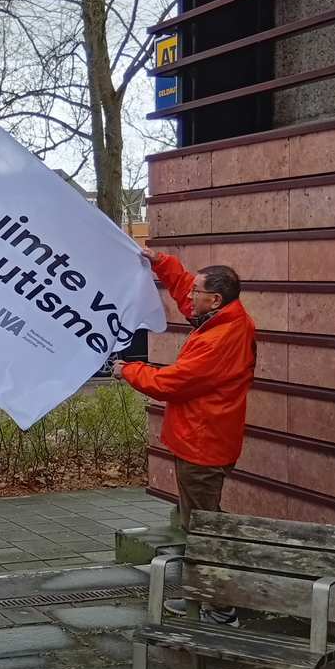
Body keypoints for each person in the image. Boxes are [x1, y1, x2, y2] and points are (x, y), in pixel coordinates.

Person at [113, 250, 255, 627]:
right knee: (199, 520)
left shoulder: (218, 339)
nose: (189, 297)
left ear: (215, 299)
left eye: (197, 292)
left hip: (203, 445)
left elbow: (171, 383)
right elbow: (181, 287)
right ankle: (204, 598)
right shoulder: (220, 319)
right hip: (201, 439)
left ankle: (221, 608)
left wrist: (128, 369)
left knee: (204, 525)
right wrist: (159, 261)